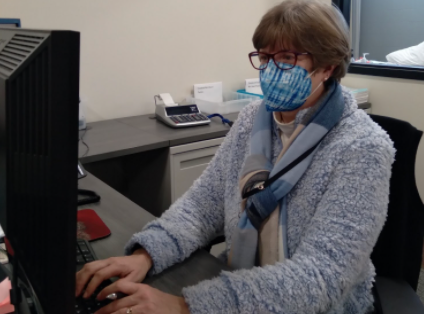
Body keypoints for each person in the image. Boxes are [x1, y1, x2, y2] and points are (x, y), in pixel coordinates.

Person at [76, 1, 396, 313]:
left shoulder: (362, 147)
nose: (271, 70)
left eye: (287, 57)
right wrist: (146, 254)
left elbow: (322, 277)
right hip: (238, 286)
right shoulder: (252, 120)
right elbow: (204, 203)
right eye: (265, 57)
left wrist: (187, 305)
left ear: (327, 67)